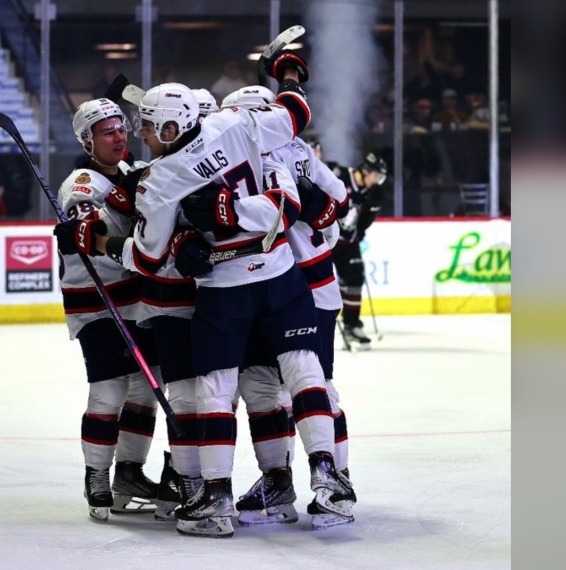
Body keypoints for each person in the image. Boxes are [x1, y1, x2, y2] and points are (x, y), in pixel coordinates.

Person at [66, 51, 354, 538]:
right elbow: (289, 188)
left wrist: (103, 243)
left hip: (225, 289)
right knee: (282, 380)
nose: (139, 134)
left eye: (148, 127)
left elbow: (149, 256)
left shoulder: (162, 181)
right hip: (282, 276)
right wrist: (288, 71)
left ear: (173, 129)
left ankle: (217, 496)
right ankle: (321, 479)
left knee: (221, 389)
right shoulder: (241, 126)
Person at [221, 86, 355, 530]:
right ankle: (276, 481)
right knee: (260, 385)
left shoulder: (289, 152)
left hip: (309, 289)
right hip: (262, 287)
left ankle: (337, 481)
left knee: (316, 384)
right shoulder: (245, 157)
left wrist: (318, 208)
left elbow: (340, 202)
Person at [51, 98, 163, 521]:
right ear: (87, 141)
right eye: (107, 132)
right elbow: (84, 221)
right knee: (109, 388)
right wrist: (84, 229)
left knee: (146, 389)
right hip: (95, 302)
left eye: (120, 128)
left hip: (137, 298)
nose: (118, 136)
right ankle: (96, 474)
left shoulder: (134, 173)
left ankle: (129, 474)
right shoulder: (81, 182)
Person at [330, 152, 387, 348]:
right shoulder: (340, 176)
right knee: (317, 283)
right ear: (365, 171)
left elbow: (361, 226)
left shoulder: (370, 192)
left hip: (348, 243)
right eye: (376, 176)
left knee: (354, 278)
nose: (377, 181)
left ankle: (352, 325)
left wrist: (372, 209)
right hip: (325, 241)